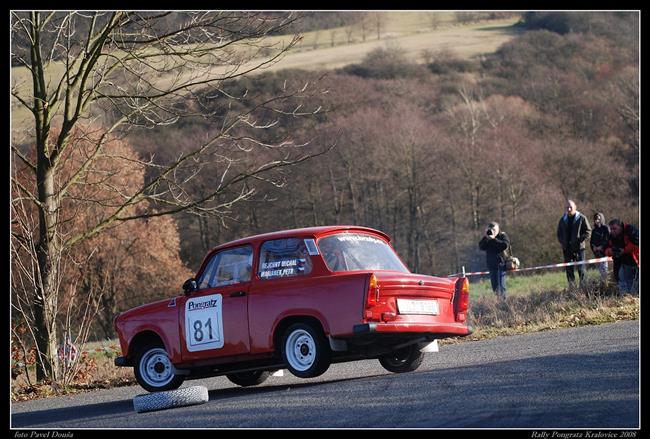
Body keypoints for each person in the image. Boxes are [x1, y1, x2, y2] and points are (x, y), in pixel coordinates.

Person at [556, 199, 592, 288]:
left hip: (579, 248)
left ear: (575, 207)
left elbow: (588, 231)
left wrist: (580, 239)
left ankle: (583, 288)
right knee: (569, 270)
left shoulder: (581, 218)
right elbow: (559, 233)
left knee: (581, 269)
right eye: (567, 207)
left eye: (570, 207)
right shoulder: (562, 219)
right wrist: (562, 242)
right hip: (567, 249)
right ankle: (572, 289)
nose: (569, 209)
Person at [604, 219, 639, 295]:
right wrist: (610, 251)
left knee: (634, 282)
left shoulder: (630, 230)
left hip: (634, 260)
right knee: (621, 279)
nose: (613, 231)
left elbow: (637, 243)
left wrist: (625, 250)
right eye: (611, 229)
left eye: (615, 228)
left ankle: (633, 296)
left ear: (620, 227)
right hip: (620, 262)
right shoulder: (611, 236)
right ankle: (625, 297)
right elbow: (605, 248)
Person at [478, 222, 510, 300]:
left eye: (494, 229)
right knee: (495, 288)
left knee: (501, 287)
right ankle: (499, 304)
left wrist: (494, 239)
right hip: (491, 266)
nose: (493, 231)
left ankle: (504, 305)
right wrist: (486, 237)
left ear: (498, 229)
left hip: (500, 264)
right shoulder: (487, 237)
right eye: (491, 229)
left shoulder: (502, 235)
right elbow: (481, 247)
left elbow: (505, 245)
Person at [589, 212, 610, 283]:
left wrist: (602, 247)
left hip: (605, 253)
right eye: (595, 219)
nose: (597, 220)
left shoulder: (605, 228)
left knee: (604, 271)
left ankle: (606, 284)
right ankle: (603, 284)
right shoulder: (594, 230)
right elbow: (591, 241)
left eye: (598, 219)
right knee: (601, 272)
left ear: (601, 219)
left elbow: (608, 239)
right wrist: (594, 247)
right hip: (597, 254)